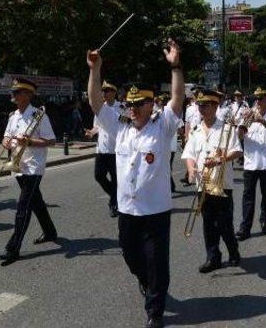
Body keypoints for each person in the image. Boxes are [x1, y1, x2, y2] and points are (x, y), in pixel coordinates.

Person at [87, 39, 183, 328]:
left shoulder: (163, 126)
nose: (133, 109)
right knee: (130, 255)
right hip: (128, 209)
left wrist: (175, 65)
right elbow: (95, 102)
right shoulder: (121, 128)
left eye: (139, 104)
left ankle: (155, 310)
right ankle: (146, 282)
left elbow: (177, 98)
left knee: (157, 262)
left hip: (155, 211)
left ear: (151, 104)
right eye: (130, 104)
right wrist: (95, 69)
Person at [182, 89, 242, 273]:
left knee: (224, 224)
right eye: (199, 105)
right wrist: (191, 168)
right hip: (204, 184)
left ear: (216, 106)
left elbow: (237, 151)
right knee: (208, 223)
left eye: (205, 105)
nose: (201, 108)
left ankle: (233, 250)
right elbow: (189, 154)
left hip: (222, 184)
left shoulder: (227, 128)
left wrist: (221, 158)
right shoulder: (196, 129)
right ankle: (212, 257)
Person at [0, 78, 58, 266]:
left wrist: (30, 142)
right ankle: (50, 232)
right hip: (17, 165)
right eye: (14, 92)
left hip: (33, 166)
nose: (14, 95)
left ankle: (13, 248)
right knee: (36, 202)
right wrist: (6, 142)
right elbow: (6, 136)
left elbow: (51, 141)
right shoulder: (13, 116)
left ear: (28, 94)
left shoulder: (39, 115)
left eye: (18, 92)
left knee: (23, 206)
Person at [235, 87, 266, 241]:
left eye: (262, 99)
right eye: (257, 99)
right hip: (250, 163)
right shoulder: (247, 116)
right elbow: (239, 136)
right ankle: (245, 227)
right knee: (248, 197)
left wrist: (263, 121)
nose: (259, 102)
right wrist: (244, 123)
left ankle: (265, 222)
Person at [85, 80, 120, 217]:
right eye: (102, 91)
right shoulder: (100, 108)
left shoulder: (122, 107)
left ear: (113, 92)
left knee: (116, 179)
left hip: (116, 150)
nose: (103, 93)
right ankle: (115, 195)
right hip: (102, 149)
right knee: (98, 176)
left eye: (106, 91)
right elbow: (97, 126)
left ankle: (113, 204)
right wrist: (91, 132)